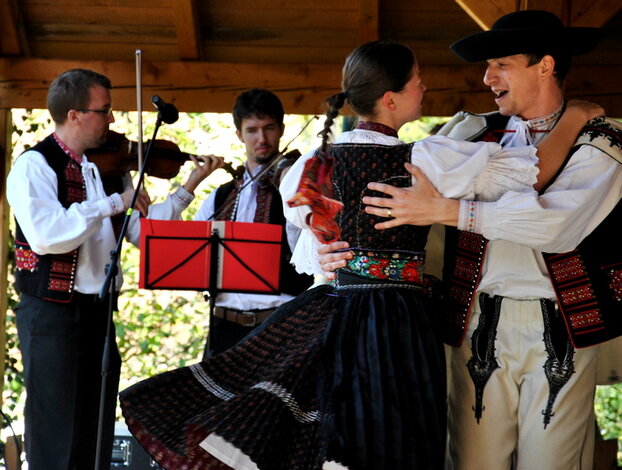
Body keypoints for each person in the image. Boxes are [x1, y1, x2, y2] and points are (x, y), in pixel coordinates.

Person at [118, 40, 598, 470]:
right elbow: (532, 173)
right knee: (400, 433)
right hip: (398, 317)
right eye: (417, 81)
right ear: (391, 99)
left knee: (345, 429)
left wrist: (318, 237)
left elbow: (305, 230)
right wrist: (575, 119)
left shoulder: (312, 162)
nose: (425, 86)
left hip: (340, 309)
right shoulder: (425, 159)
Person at [327, 11, 621, 470]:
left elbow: (555, 226)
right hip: (474, 320)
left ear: (545, 65)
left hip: (562, 324)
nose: (487, 78)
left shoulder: (604, 139)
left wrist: (449, 210)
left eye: (500, 64)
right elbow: (373, 195)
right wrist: (334, 249)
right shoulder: (465, 134)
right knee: (469, 464)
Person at [5, 68, 218, 470]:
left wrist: (186, 188)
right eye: (104, 111)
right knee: (56, 435)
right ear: (74, 115)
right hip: (52, 315)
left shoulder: (103, 168)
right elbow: (49, 235)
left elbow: (140, 230)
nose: (113, 120)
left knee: (95, 429)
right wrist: (113, 202)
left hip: (98, 313)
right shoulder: (34, 166)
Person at [194, 88, 312, 356]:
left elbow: (306, 257)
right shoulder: (219, 196)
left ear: (281, 129)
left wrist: (293, 196)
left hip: (280, 325)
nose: (262, 138)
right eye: (252, 130)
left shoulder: (295, 186)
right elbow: (191, 255)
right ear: (239, 134)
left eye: (269, 128)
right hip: (223, 325)